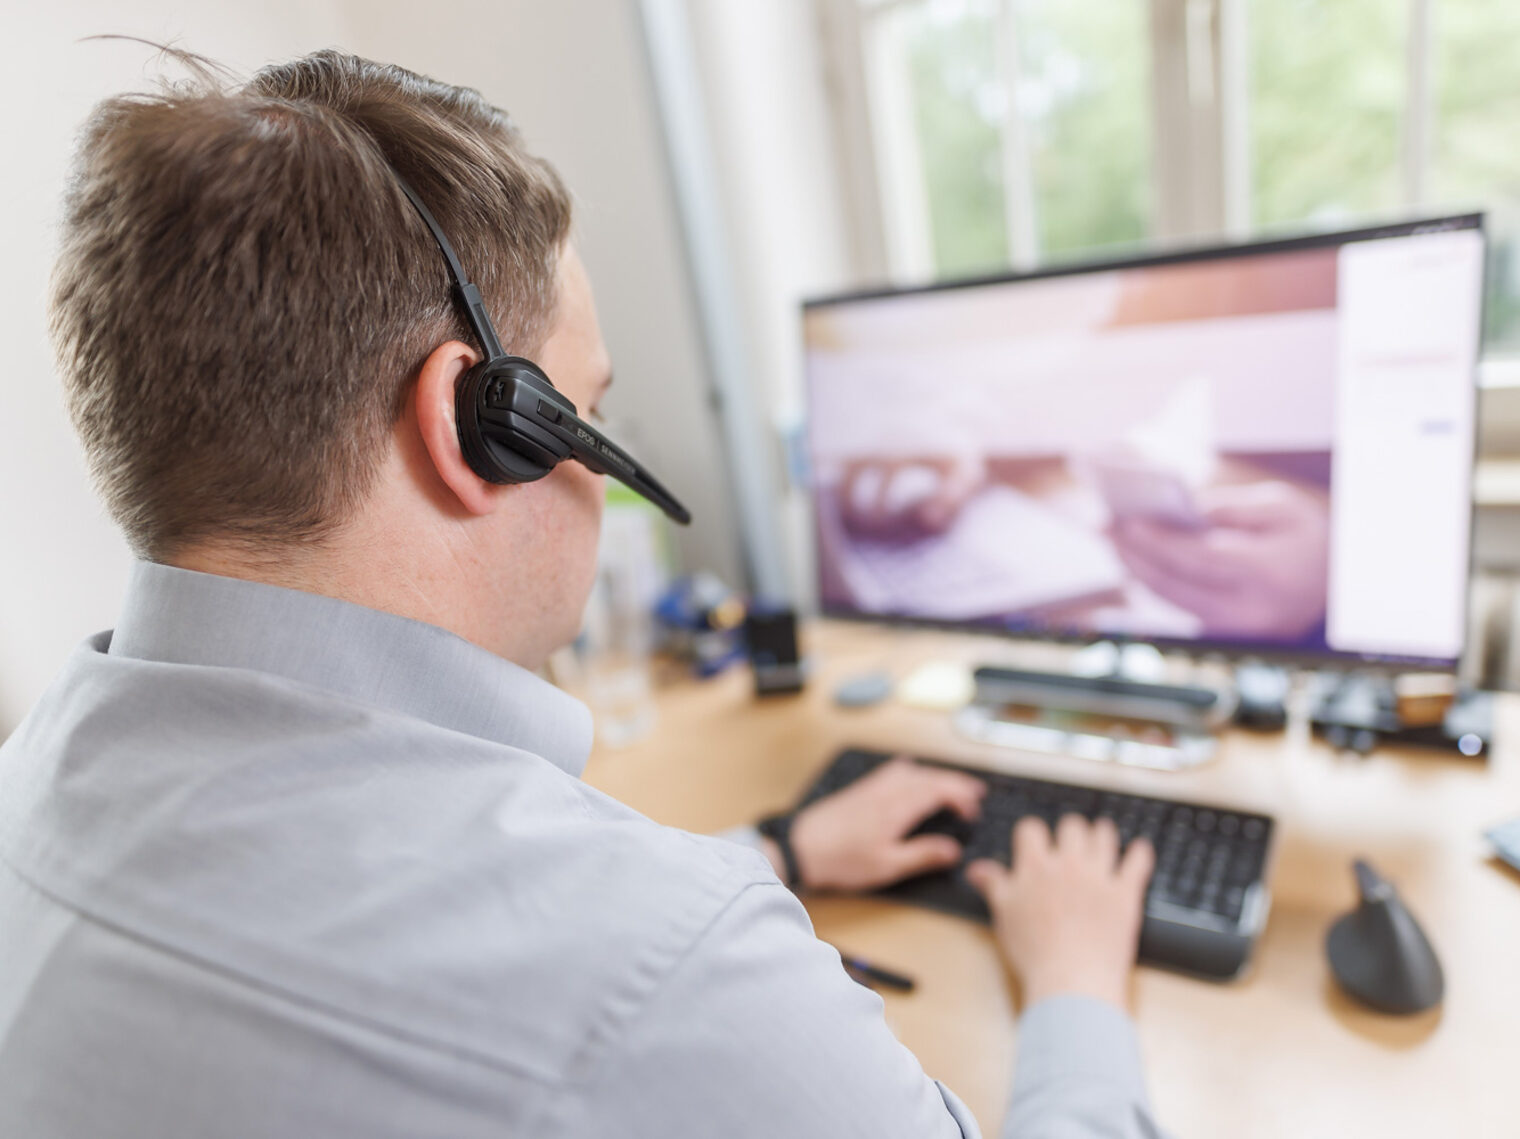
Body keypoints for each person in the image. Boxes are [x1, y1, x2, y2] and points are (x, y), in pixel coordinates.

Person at [0, 49, 1163, 1138]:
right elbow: (588, 972)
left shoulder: (30, 781)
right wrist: (1073, 978)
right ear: (482, 427)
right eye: (588, 409)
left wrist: (781, 847)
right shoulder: (672, 970)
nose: (598, 461)